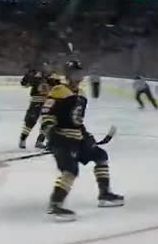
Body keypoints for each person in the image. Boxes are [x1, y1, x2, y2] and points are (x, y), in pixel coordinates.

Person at [41, 60, 124, 221]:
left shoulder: (81, 94)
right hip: (61, 139)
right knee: (70, 170)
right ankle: (56, 204)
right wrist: (51, 132)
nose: (78, 76)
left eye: (80, 73)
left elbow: (77, 121)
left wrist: (87, 137)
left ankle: (104, 194)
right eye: (75, 73)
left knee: (100, 156)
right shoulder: (59, 90)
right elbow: (47, 114)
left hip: (77, 139)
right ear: (67, 75)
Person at [19, 62, 61, 149]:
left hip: (48, 101)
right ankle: (23, 139)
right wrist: (29, 76)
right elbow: (24, 83)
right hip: (37, 101)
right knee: (30, 121)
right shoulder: (36, 75)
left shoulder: (53, 76)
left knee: (47, 122)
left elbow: (59, 87)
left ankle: (40, 141)